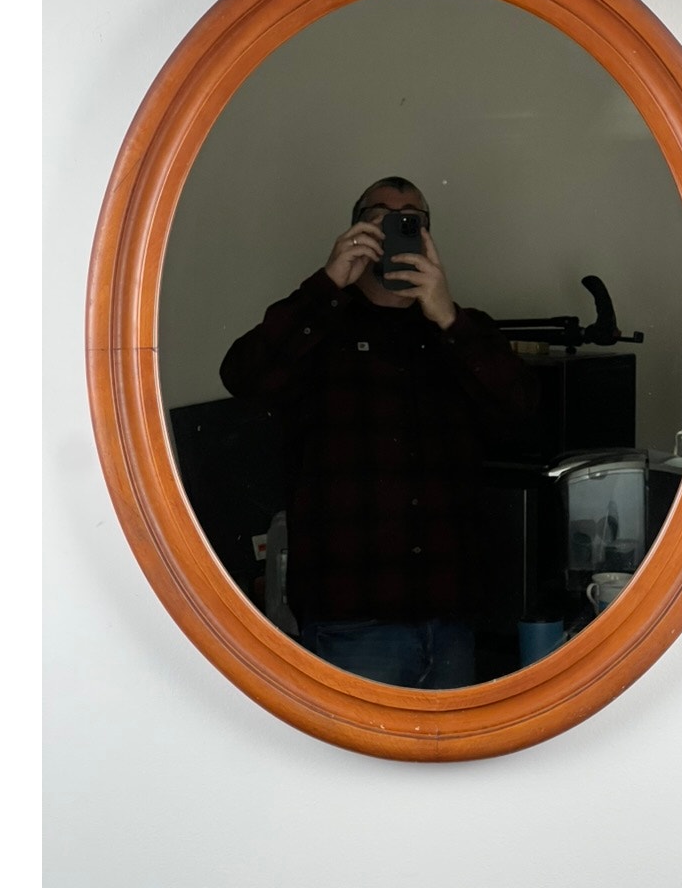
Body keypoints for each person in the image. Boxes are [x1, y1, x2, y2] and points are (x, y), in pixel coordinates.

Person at [220, 176, 537, 688]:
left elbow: (522, 414)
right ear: (357, 228)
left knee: (452, 769)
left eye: (413, 218)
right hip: (352, 616)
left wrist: (448, 317)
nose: (398, 225)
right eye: (381, 214)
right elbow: (242, 378)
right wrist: (328, 282)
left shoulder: (462, 329)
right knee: (352, 769)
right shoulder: (319, 327)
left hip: (451, 610)